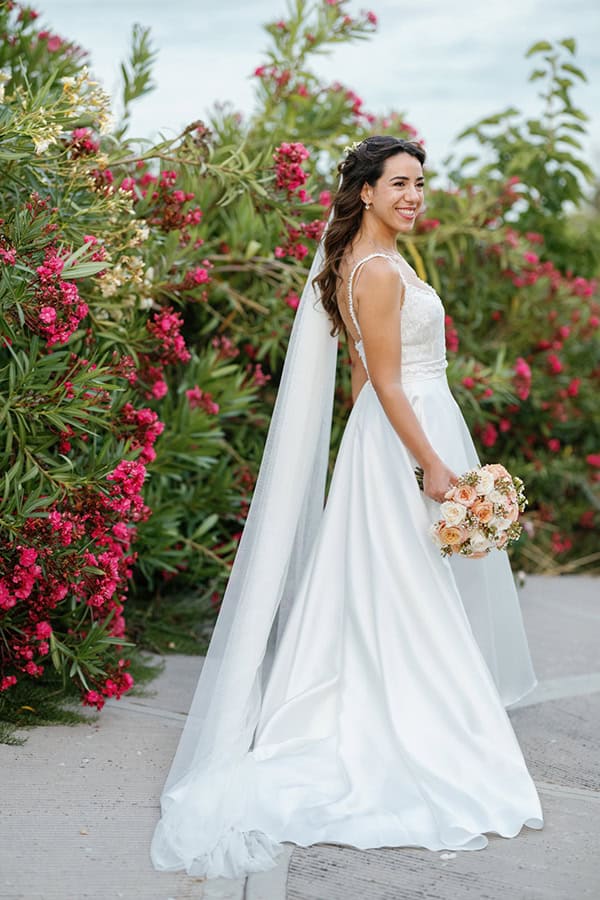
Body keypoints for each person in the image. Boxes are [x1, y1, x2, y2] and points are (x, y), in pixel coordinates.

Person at [150, 136, 544, 880]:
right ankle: (422, 733)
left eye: (420, 185)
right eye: (399, 183)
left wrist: (369, 464)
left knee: (393, 587)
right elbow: (389, 383)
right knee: (411, 591)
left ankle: (411, 710)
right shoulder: (378, 271)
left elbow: (363, 380)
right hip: (407, 437)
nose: (413, 196)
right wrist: (428, 465)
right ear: (365, 191)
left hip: (385, 441)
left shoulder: (361, 266)